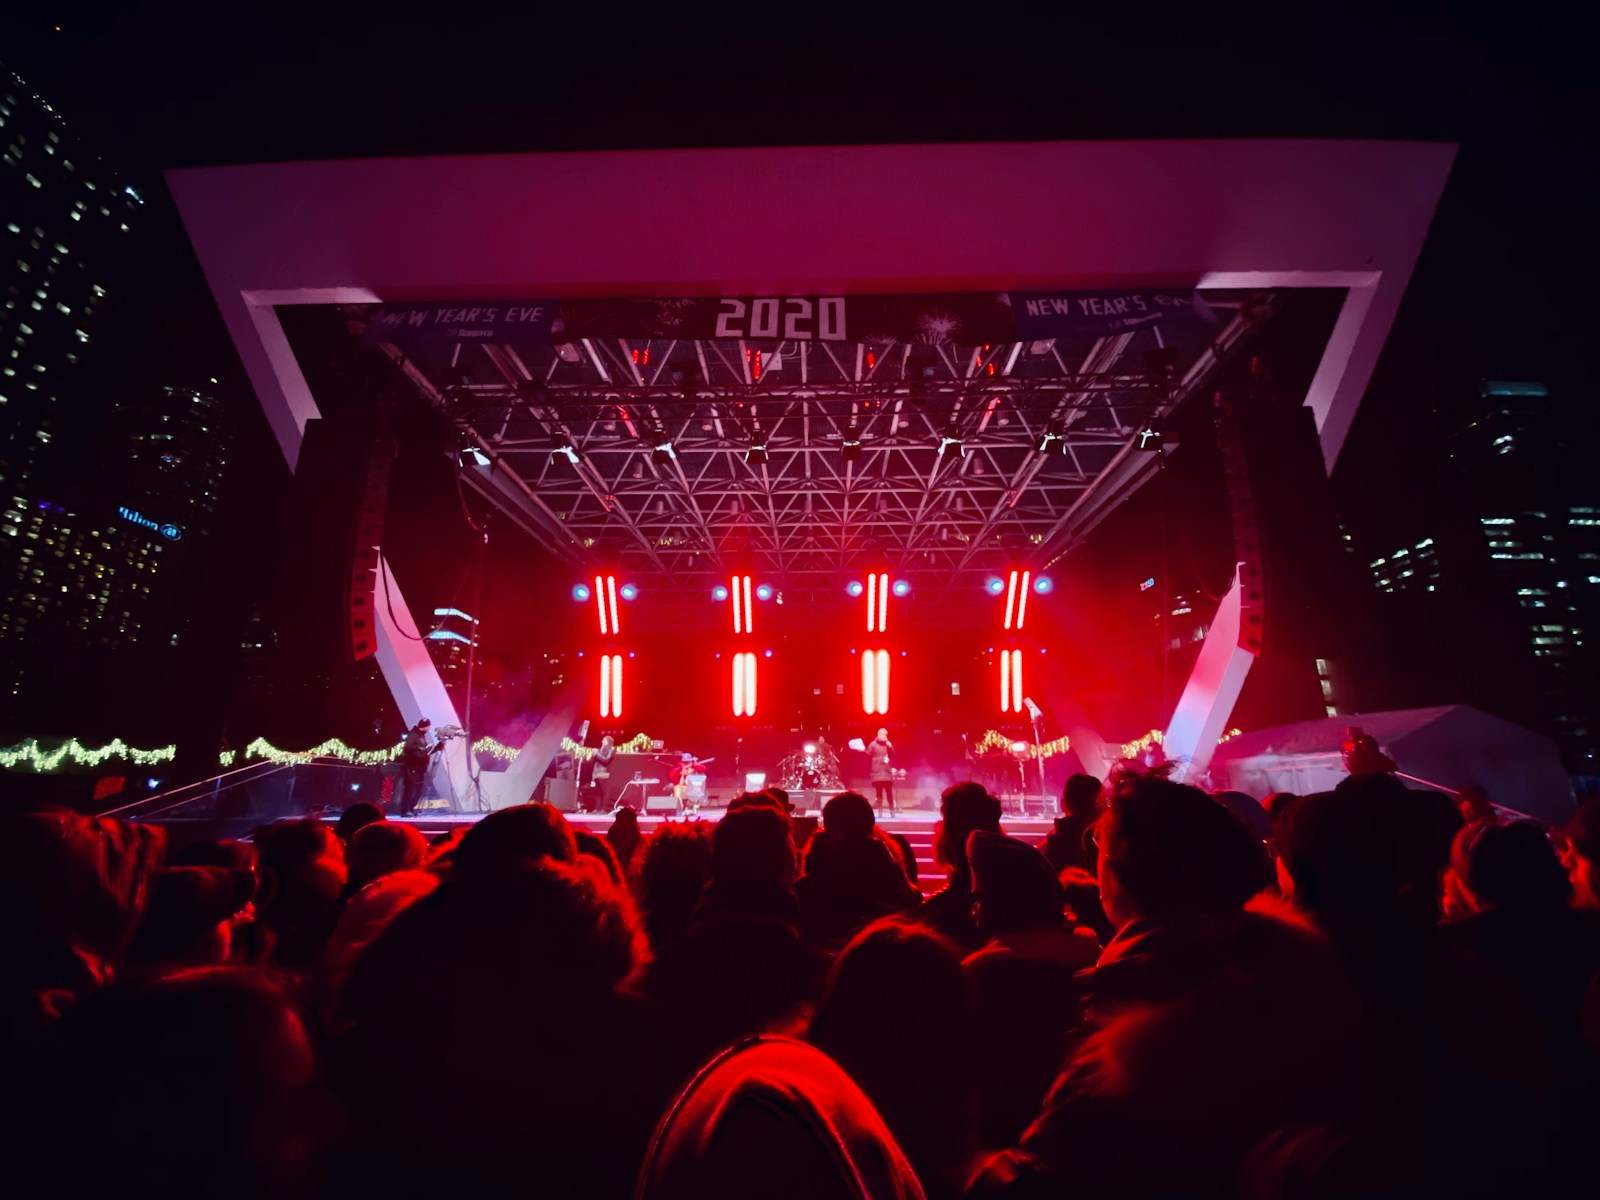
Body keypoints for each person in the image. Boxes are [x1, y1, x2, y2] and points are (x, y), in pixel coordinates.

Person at [398, 718, 438, 817]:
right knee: (410, 789)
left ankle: (411, 809)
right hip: (413, 767)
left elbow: (424, 752)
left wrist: (435, 749)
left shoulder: (421, 736)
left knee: (419, 789)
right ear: (426, 726)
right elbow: (408, 748)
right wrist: (421, 749)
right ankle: (405, 810)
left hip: (421, 767)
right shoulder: (413, 735)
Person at [868, 728, 896, 816]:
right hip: (877, 772)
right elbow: (868, 754)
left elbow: (893, 755)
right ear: (878, 735)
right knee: (879, 793)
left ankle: (892, 811)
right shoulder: (873, 744)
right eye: (883, 734)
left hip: (887, 772)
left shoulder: (888, 745)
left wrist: (890, 747)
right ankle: (880, 812)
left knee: (889, 793)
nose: (884, 736)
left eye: (886, 735)